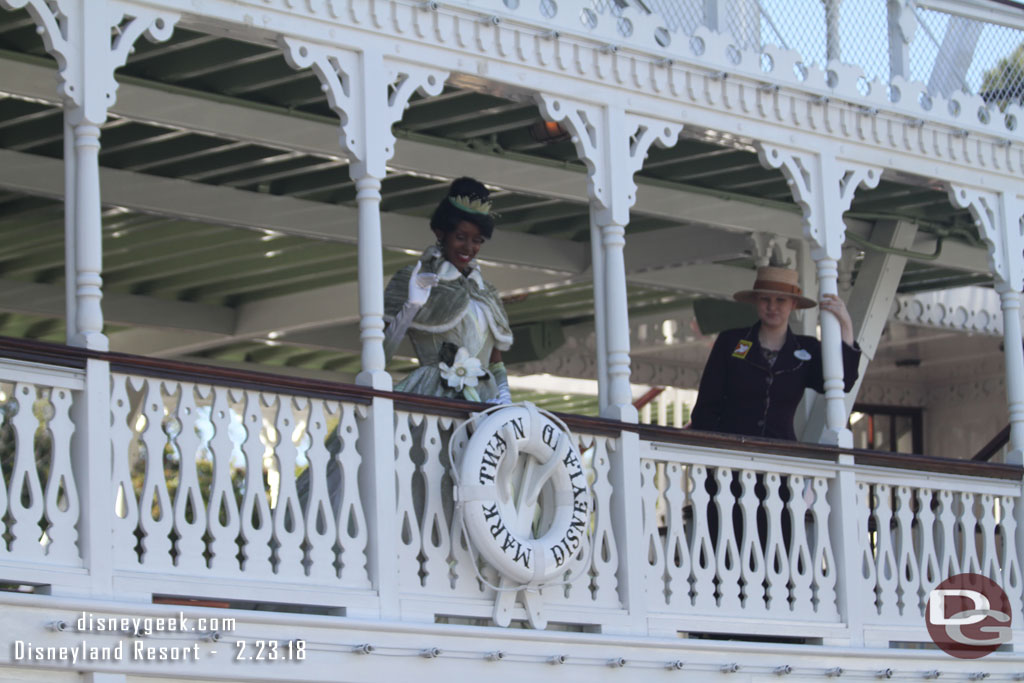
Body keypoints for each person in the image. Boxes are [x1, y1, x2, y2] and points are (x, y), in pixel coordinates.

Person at [689, 266, 861, 440]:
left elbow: (844, 382)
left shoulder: (806, 349)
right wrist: (714, 449)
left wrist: (846, 325)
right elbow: (706, 405)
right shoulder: (731, 341)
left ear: (793, 304)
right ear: (756, 300)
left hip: (780, 455)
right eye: (765, 299)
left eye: (780, 300)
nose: (772, 306)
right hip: (731, 454)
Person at [382, 177, 513, 404]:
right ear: (440, 233)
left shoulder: (487, 293)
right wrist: (411, 306)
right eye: (460, 237)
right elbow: (380, 356)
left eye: (477, 240)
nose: (469, 248)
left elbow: (496, 362)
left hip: (485, 401)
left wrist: (504, 399)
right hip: (434, 397)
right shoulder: (414, 280)